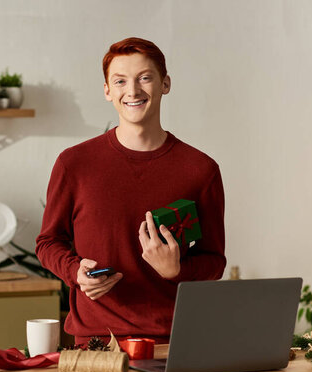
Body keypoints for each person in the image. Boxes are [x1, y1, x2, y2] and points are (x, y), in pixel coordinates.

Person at [36, 37, 226, 346]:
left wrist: (175, 270)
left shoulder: (200, 169)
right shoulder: (74, 164)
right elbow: (48, 242)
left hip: (174, 342)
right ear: (107, 90)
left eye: (145, 78)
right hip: (95, 342)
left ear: (165, 84)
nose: (133, 91)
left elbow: (214, 261)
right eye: (120, 81)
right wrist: (75, 272)